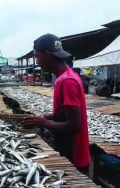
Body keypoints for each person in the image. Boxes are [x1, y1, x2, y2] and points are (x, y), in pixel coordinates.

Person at [21, 33, 90, 174]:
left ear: (47, 55)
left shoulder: (67, 82)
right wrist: (43, 117)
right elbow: (63, 114)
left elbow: (75, 126)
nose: (37, 61)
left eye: (37, 56)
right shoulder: (65, 77)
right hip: (68, 149)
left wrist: (43, 123)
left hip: (74, 155)